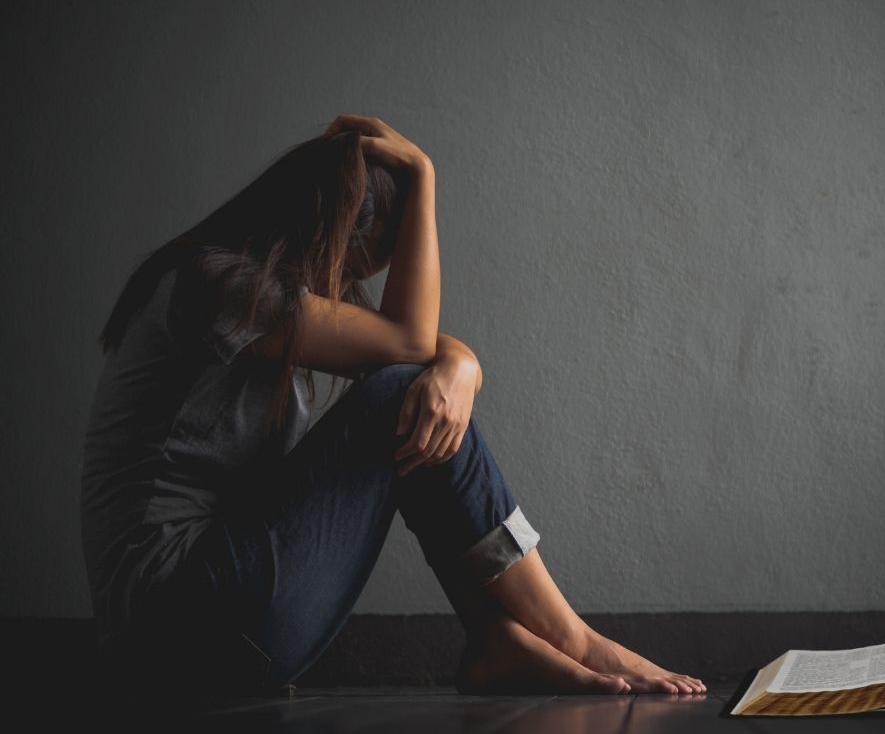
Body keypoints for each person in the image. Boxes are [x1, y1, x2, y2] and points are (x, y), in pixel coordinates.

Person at [80, 114, 706, 708]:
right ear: (327, 235)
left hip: (214, 635)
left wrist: (463, 366)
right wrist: (424, 175)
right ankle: (570, 637)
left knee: (415, 392)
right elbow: (409, 344)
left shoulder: (249, 298)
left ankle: (496, 637)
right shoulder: (217, 287)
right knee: (404, 391)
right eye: (359, 263)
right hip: (172, 628)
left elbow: (414, 346)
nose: (350, 283)